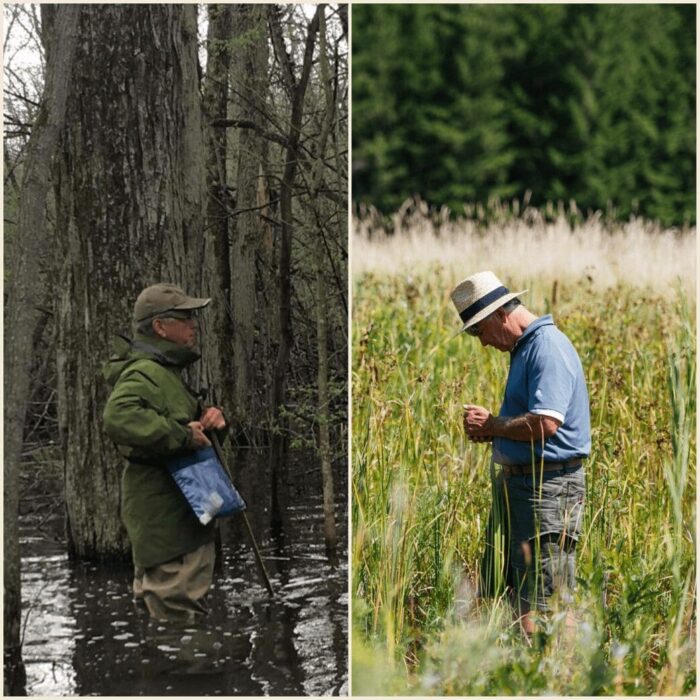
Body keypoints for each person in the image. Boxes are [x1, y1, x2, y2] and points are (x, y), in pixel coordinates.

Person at [450, 270, 590, 635]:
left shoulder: (547, 347)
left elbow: (546, 423)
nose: (482, 343)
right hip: (528, 489)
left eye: (478, 332)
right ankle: (529, 678)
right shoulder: (527, 349)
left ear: (500, 314)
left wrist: (493, 425)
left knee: (548, 602)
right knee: (523, 595)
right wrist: (494, 432)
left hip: (549, 490)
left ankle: (559, 681)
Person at [103, 282, 227, 624]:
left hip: (180, 519)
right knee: (177, 626)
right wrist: (182, 435)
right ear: (160, 326)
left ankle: (171, 674)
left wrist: (211, 424)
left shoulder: (165, 373)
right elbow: (118, 417)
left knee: (174, 624)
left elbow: (182, 431)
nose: (193, 325)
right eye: (185, 318)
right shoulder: (146, 372)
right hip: (169, 526)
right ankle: (182, 677)